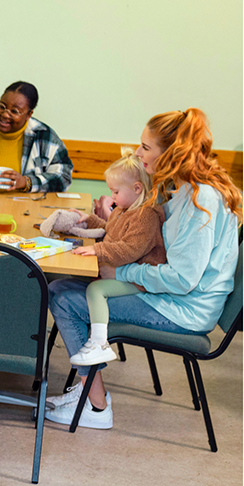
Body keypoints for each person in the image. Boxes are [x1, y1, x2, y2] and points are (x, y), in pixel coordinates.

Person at [47, 108, 241, 429]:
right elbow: (149, 243)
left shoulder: (199, 201)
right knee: (60, 287)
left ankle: (96, 407)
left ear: (172, 152)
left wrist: (119, 273)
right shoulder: (181, 192)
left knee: (66, 299)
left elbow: (181, 279)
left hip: (183, 311)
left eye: (145, 147)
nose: (138, 153)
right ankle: (84, 389)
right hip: (171, 299)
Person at [66, 152, 167, 366]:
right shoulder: (124, 209)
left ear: (137, 188)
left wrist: (99, 250)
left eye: (115, 191)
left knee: (96, 290)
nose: (111, 197)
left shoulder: (145, 216)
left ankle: (99, 343)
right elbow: (111, 231)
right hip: (123, 273)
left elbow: (130, 249)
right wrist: (91, 220)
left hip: (137, 282)